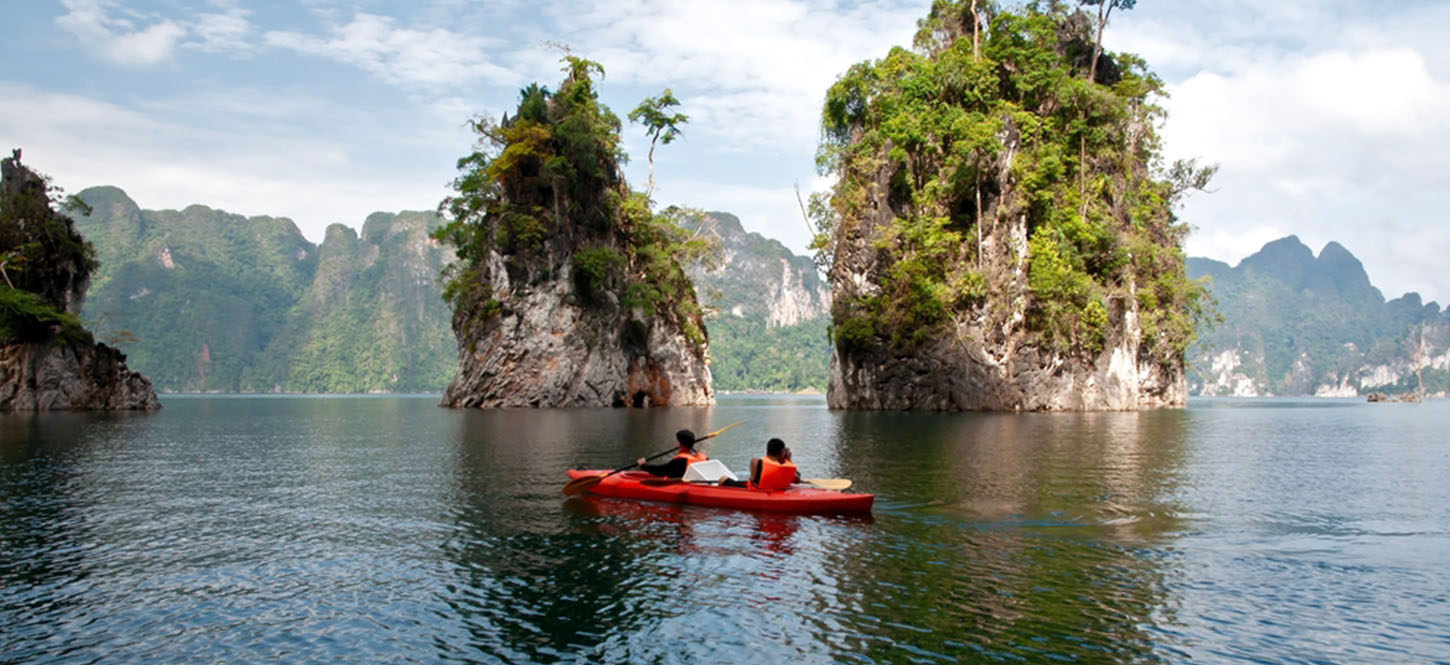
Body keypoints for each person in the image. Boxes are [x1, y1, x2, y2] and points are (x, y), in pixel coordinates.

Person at [722, 438, 801, 489]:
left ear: (767, 450)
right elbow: (797, 480)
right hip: (775, 491)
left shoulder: (755, 462)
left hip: (756, 491)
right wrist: (788, 460)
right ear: (782, 452)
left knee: (722, 479)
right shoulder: (786, 469)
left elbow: (752, 480)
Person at [637, 429, 707, 478]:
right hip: (699, 486)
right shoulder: (705, 458)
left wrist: (643, 466)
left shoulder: (680, 461)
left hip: (683, 487)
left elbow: (661, 471)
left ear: (680, 444)